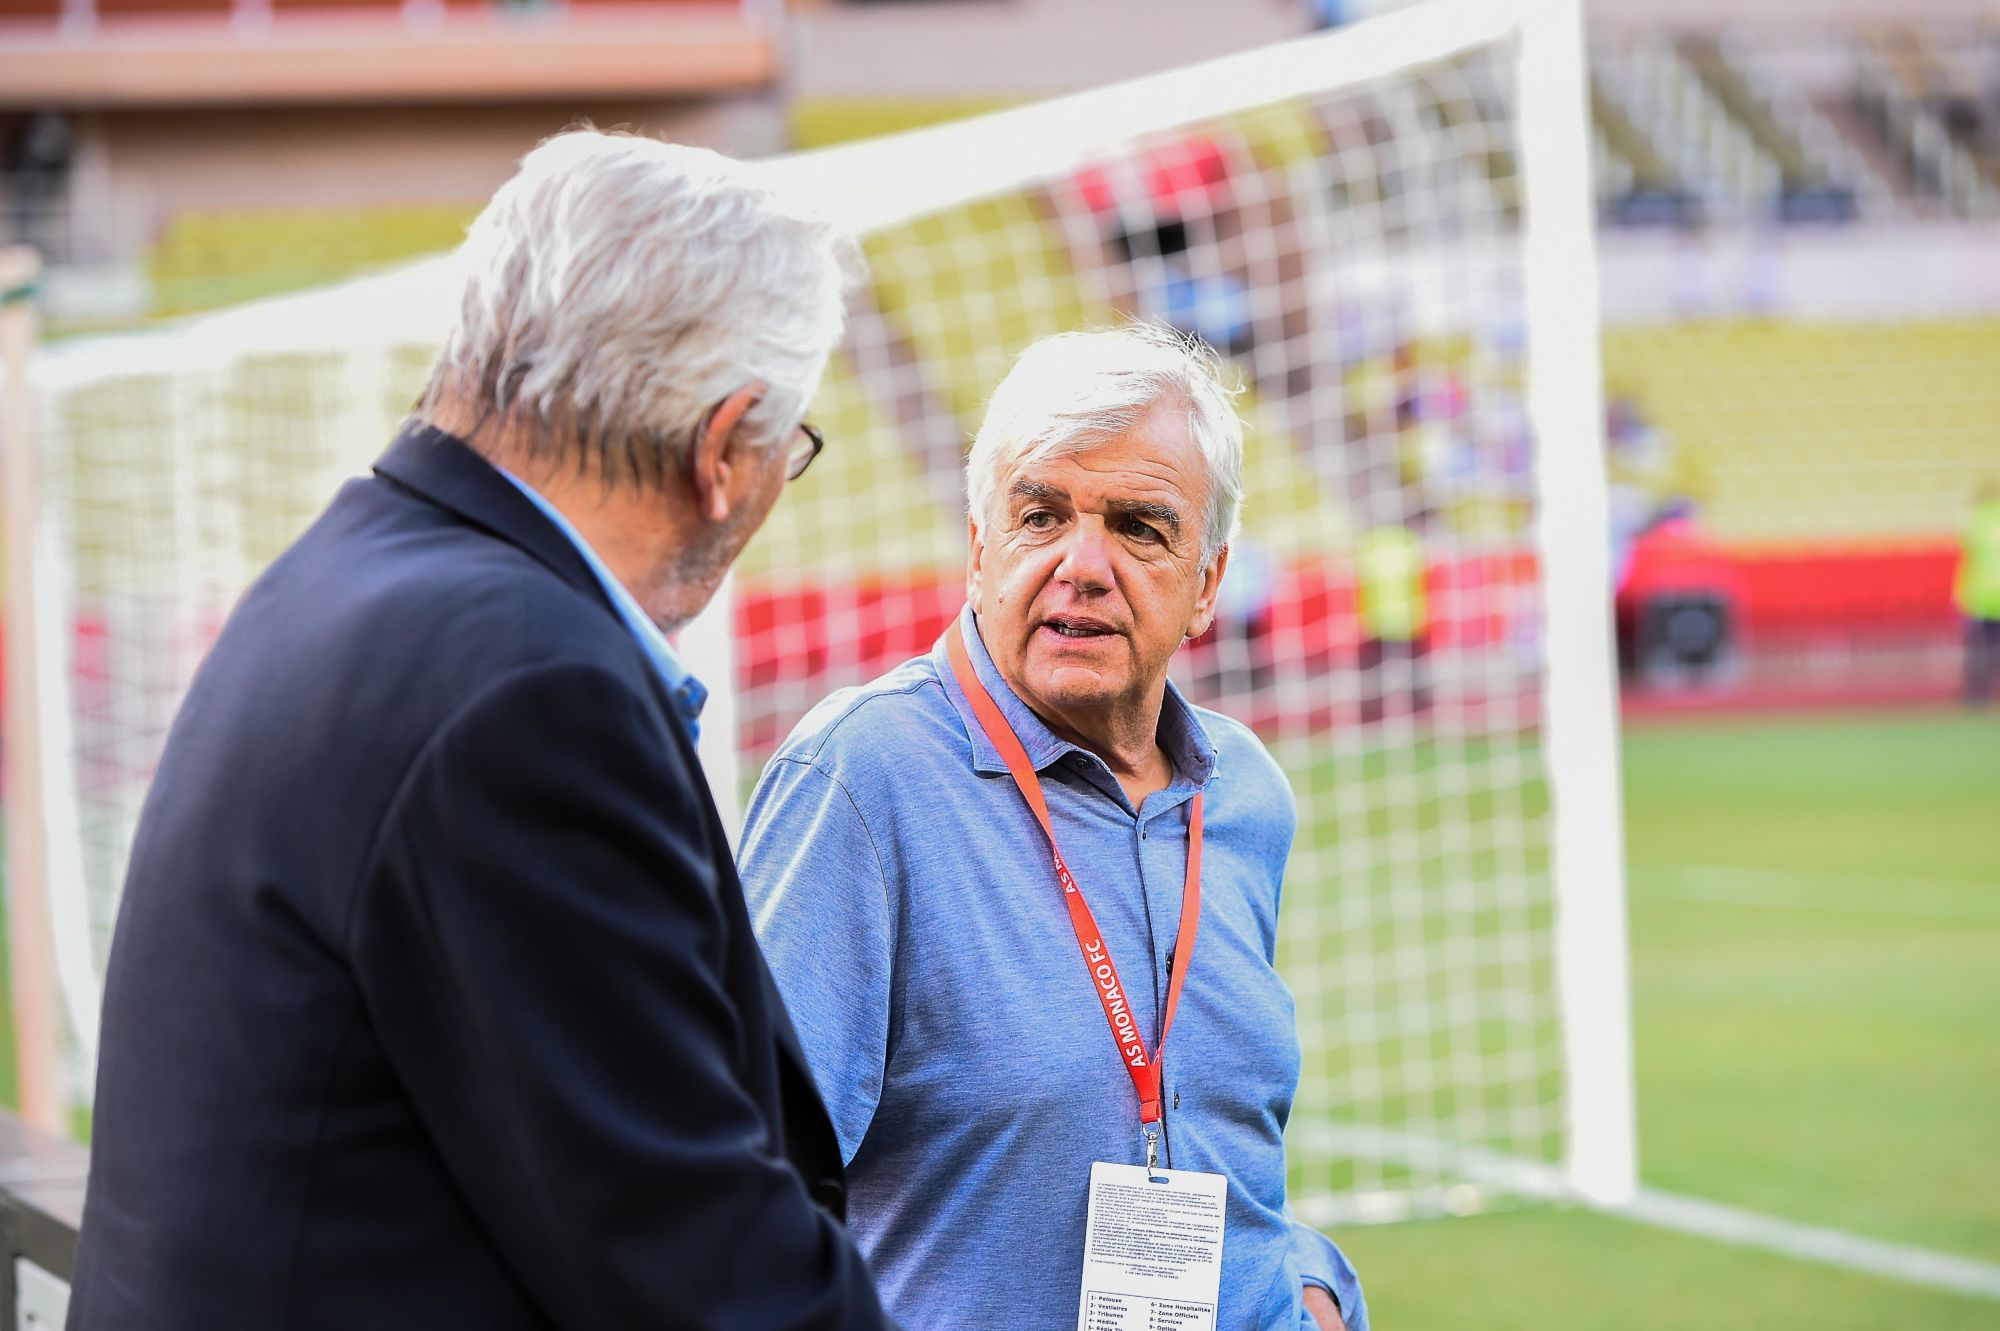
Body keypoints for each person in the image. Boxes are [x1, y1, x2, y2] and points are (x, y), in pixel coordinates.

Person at [69, 130, 892, 1331]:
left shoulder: (349, 581)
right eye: (789, 450)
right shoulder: (528, 692)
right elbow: (702, 1269)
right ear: (724, 449)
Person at [741, 325, 1366, 1331]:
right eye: (1040, 515)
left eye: (1138, 525)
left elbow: (1208, 1135)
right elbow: (740, 1190)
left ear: (1206, 580)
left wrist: (1311, 1284)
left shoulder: (1242, 794)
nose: (1082, 562)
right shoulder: (861, 777)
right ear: (982, 549)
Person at [1959, 481, 2000, 706]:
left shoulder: (1977, 521)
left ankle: (1978, 693)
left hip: (1982, 597)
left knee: (1979, 647)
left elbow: (1971, 557)